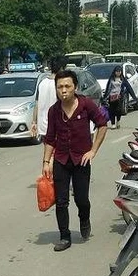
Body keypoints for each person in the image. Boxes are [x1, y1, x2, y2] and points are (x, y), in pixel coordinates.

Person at [42, 69, 108, 252]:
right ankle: (64, 236)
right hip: (61, 160)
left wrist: (93, 151)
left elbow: (103, 125)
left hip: (81, 160)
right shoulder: (54, 111)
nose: (63, 90)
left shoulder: (86, 105)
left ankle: (84, 218)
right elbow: (50, 138)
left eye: (67, 86)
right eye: (60, 87)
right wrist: (46, 162)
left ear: (75, 87)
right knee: (61, 201)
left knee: (82, 199)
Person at [30, 56, 63, 141]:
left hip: (43, 126)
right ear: (61, 68)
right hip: (57, 126)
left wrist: (34, 122)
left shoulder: (42, 83)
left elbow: (36, 104)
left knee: (49, 150)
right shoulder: (59, 85)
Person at [101, 64, 138, 130]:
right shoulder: (111, 79)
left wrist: (134, 97)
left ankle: (118, 121)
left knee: (118, 111)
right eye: (117, 71)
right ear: (114, 72)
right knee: (111, 111)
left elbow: (128, 87)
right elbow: (108, 89)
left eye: (119, 71)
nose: (118, 73)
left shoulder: (123, 79)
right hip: (111, 97)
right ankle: (113, 124)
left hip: (119, 97)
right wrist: (105, 98)